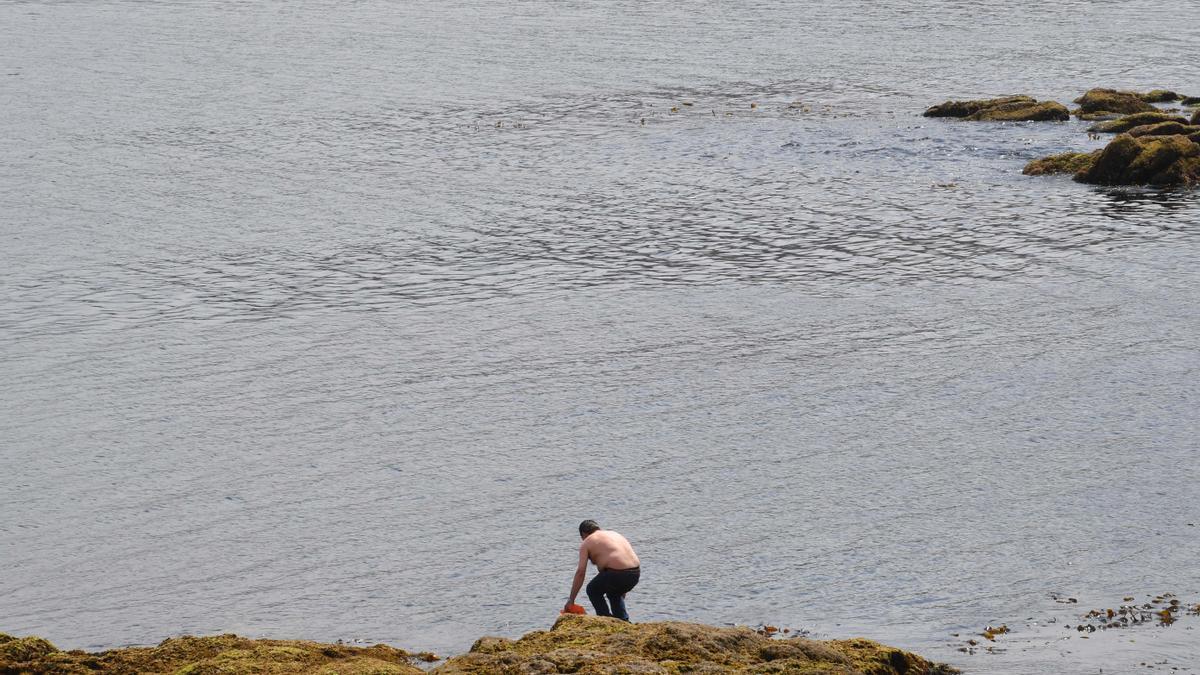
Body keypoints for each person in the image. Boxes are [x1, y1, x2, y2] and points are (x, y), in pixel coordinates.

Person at [565, 519, 641, 621]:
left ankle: (605, 619)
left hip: (617, 574)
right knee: (614, 592)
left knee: (592, 589)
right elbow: (620, 560)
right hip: (635, 573)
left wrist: (571, 600)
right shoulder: (614, 534)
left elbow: (580, 572)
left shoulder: (587, 542)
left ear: (583, 534)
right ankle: (623, 620)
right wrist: (623, 588)